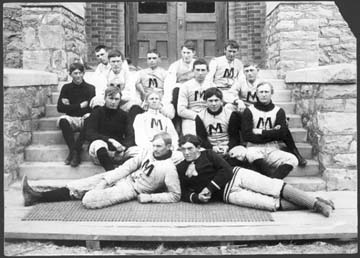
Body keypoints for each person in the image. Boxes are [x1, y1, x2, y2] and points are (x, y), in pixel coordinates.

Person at [176, 134, 335, 217]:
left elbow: (226, 170)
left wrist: (209, 188)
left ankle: (316, 204)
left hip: (238, 176)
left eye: (190, 148)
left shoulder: (209, 154)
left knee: (274, 187)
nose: (187, 152)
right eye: (183, 149)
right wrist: (197, 198)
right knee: (269, 204)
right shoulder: (181, 167)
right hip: (229, 194)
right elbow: (183, 191)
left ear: (198, 147)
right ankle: (313, 201)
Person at [22, 132, 181, 209]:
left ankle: (42, 196)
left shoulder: (169, 168)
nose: (155, 148)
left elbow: (175, 195)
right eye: (154, 144)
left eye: (159, 146)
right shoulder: (147, 152)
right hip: (123, 179)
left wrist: (151, 197)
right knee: (77, 184)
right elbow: (126, 168)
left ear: (169, 147)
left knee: (88, 200)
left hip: (130, 189)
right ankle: (37, 196)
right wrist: (106, 180)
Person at [229, 63, 307, 167]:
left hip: (262, 110)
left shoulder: (263, 84)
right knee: (234, 115)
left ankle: (295, 152)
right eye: (246, 71)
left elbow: (268, 104)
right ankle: (235, 146)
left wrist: (263, 130)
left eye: (252, 70)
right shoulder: (240, 82)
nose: (249, 73)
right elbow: (229, 94)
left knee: (283, 126)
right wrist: (238, 101)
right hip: (247, 110)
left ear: (257, 71)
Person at [241, 82, 299, 179]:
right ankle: (273, 181)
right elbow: (247, 136)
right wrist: (272, 133)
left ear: (271, 93)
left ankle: (271, 181)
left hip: (272, 148)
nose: (264, 94)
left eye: (266, 92)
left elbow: (282, 134)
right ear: (257, 94)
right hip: (254, 148)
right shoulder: (249, 111)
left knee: (292, 159)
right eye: (261, 92)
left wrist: (260, 132)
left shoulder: (279, 111)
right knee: (250, 154)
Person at [86, 86, 140, 171]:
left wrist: (123, 148)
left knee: (138, 151)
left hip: (119, 153)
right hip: (100, 153)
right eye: (111, 98)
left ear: (120, 100)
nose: (113, 102)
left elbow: (130, 135)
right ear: (105, 98)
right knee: (98, 143)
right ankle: (111, 173)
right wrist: (109, 140)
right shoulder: (97, 112)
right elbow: (89, 133)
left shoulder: (124, 115)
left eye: (116, 99)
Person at [195, 87, 248, 167]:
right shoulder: (200, 116)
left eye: (216, 100)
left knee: (241, 152)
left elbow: (234, 137)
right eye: (210, 101)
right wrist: (212, 148)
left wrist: (227, 147)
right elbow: (202, 138)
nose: (213, 104)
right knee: (198, 153)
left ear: (221, 101)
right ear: (205, 102)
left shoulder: (230, 114)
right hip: (210, 147)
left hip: (227, 147)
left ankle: (231, 170)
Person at [57, 62, 95, 167]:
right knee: (63, 121)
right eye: (75, 73)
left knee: (90, 118)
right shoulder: (66, 88)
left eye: (80, 73)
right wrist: (79, 106)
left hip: (84, 118)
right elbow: (60, 108)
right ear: (70, 74)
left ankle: (74, 151)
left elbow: (90, 108)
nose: (78, 76)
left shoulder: (90, 88)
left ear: (83, 73)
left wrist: (70, 106)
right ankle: (75, 152)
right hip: (71, 118)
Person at [163, 40, 197, 132]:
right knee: (176, 90)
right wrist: (167, 101)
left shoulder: (197, 64)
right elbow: (169, 84)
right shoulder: (175, 66)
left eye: (188, 53)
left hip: (194, 92)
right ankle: (177, 124)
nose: (186, 55)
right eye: (184, 52)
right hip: (180, 94)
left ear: (194, 53)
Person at [177, 59, 215, 135]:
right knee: (191, 139)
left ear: (207, 71)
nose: (200, 73)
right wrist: (197, 116)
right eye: (197, 70)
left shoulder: (212, 86)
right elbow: (181, 110)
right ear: (193, 71)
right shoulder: (185, 86)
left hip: (208, 116)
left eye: (203, 70)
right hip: (191, 117)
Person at [205, 39, 245, 109]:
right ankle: (236, 101)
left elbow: (241, 79)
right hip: (219, 90)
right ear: (225, 50)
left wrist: (235, 89)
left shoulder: (239, 63)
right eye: (229, 51)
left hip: (233, 90)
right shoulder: (216, 61)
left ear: (237, 52)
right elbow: (209, 78)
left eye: (234, 52)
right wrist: (215, 89)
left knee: (230, 107)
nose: (232, 54)